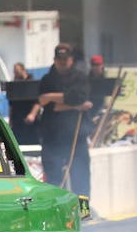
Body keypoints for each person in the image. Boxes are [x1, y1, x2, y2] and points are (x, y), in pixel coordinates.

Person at [35, 43, 93, 195]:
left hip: (76, 136)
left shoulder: (80, 77)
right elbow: (46, 103)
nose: (62, 62)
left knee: (81, 178)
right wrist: (74, 105)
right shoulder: (47, 80)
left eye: (65, 59)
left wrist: (52, 97)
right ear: (54, 60)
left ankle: (83, 207)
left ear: (71, 60)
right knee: (54, 179)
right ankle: (57, 207)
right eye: (59, 59)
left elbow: (80, 97)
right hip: (53, 137)